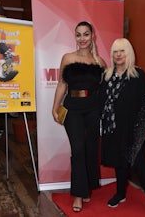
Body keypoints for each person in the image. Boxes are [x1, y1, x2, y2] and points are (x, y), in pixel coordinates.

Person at [99, 38, 145, 217]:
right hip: (113, 128)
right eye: (115, 51)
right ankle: (120, 194)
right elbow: (101, 102)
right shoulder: (106, 75)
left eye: (122, 51)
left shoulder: (138, 75)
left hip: (135, 128)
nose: (118, 55)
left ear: (129, 53)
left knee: (141, 166)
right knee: (119, 163)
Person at [52, 21, 106, 212]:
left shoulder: (99, 62)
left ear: (92, 36)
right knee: (78, 148)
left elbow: (104, 88)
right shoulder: (67, 58)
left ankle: (87, 188)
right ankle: (78, 194)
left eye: (86, 34)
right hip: (72, 108)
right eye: (78, 35)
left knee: (91, 148)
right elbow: (61, 84)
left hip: (93, 109)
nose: (82, 38)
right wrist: (55, 107)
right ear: (75, 37)